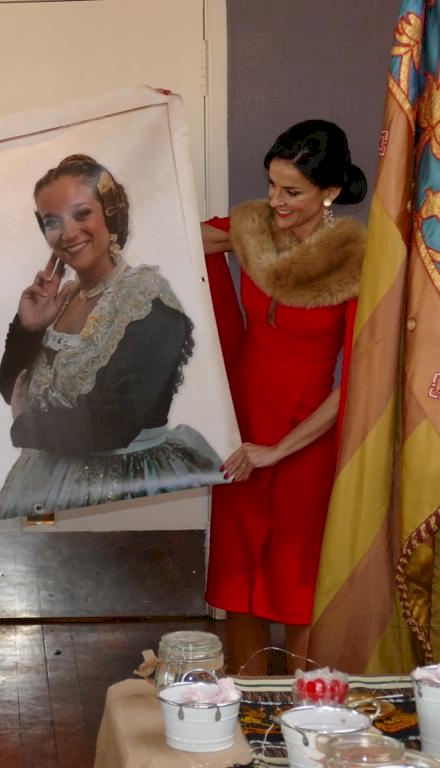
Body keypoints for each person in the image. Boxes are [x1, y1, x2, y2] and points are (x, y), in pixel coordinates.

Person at [202, 120, 368, 674]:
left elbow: (356, 381)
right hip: (241, 425)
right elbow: (181, 237)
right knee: (239, 577)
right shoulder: (255, 228)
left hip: (306, 438)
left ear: (330, 192)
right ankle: (246, 706)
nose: (275, 201)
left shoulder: (356, 261)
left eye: (292, 191)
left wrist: (277, 450)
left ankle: (305, 710)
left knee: (297, 583)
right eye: (271, 185)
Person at [0, 154, 222, 520]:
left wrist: (26, 426)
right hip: (46, 481)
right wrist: (28, 329)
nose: (68, 233)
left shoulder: (147, 303)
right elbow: (14, 390)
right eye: (53, 221)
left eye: (81, 214)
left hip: (124, 488)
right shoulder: (61, 299)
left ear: (110, 215)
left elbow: (113, 424)